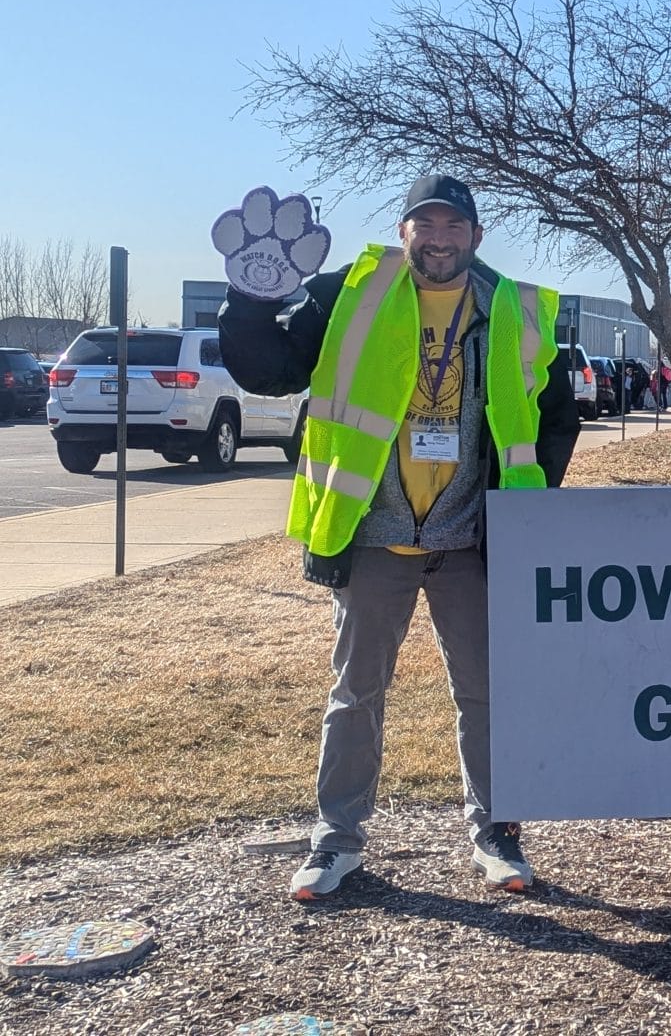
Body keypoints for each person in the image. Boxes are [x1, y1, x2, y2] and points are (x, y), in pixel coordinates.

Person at [219, 175, 580, 901]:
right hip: (374, 536)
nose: (439, 238)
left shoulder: (520, 310)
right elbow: (272, 372)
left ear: (475, 236)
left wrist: (527, 512)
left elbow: (554, 419)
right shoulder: (347, 292)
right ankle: (337, 840)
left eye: (454, 226)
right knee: (356, 694)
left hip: (471, 542)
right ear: (403, 229)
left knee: (486, 694)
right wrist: (251, 302)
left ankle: (496, 832)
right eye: (426, 224)